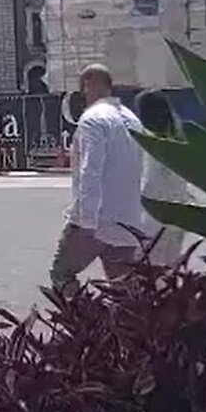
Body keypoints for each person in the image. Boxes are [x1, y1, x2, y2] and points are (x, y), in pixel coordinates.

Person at [50, 64, 145, 290]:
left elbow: (90, 171)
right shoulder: (133, 120)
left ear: (88, 84)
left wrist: (86, 222)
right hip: (128, 223)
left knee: (61, 275)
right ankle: (121, 325)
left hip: (97, 221)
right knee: (123, 289)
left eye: (83, 88)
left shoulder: (92, 120)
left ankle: (89, 322)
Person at [135, 90, 192, 267]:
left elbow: (148, 184)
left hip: (152, 221)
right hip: (178, 217)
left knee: (148, 274)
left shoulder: (145, 141)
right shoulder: (178, 139)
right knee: (169, 272)